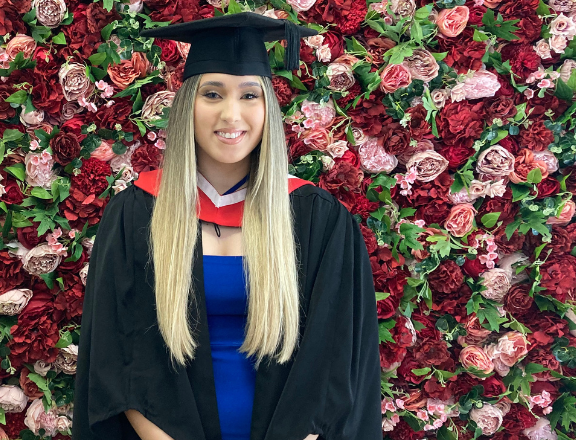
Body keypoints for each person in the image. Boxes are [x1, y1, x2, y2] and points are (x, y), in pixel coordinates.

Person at [72, 12, 382, 440]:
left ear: (268, 107)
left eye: (249, 95)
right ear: (187, 106)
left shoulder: (316, 219)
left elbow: (333, 363)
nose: (231, 114)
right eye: (213, 93)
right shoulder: (137, 213)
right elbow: (118, 356)